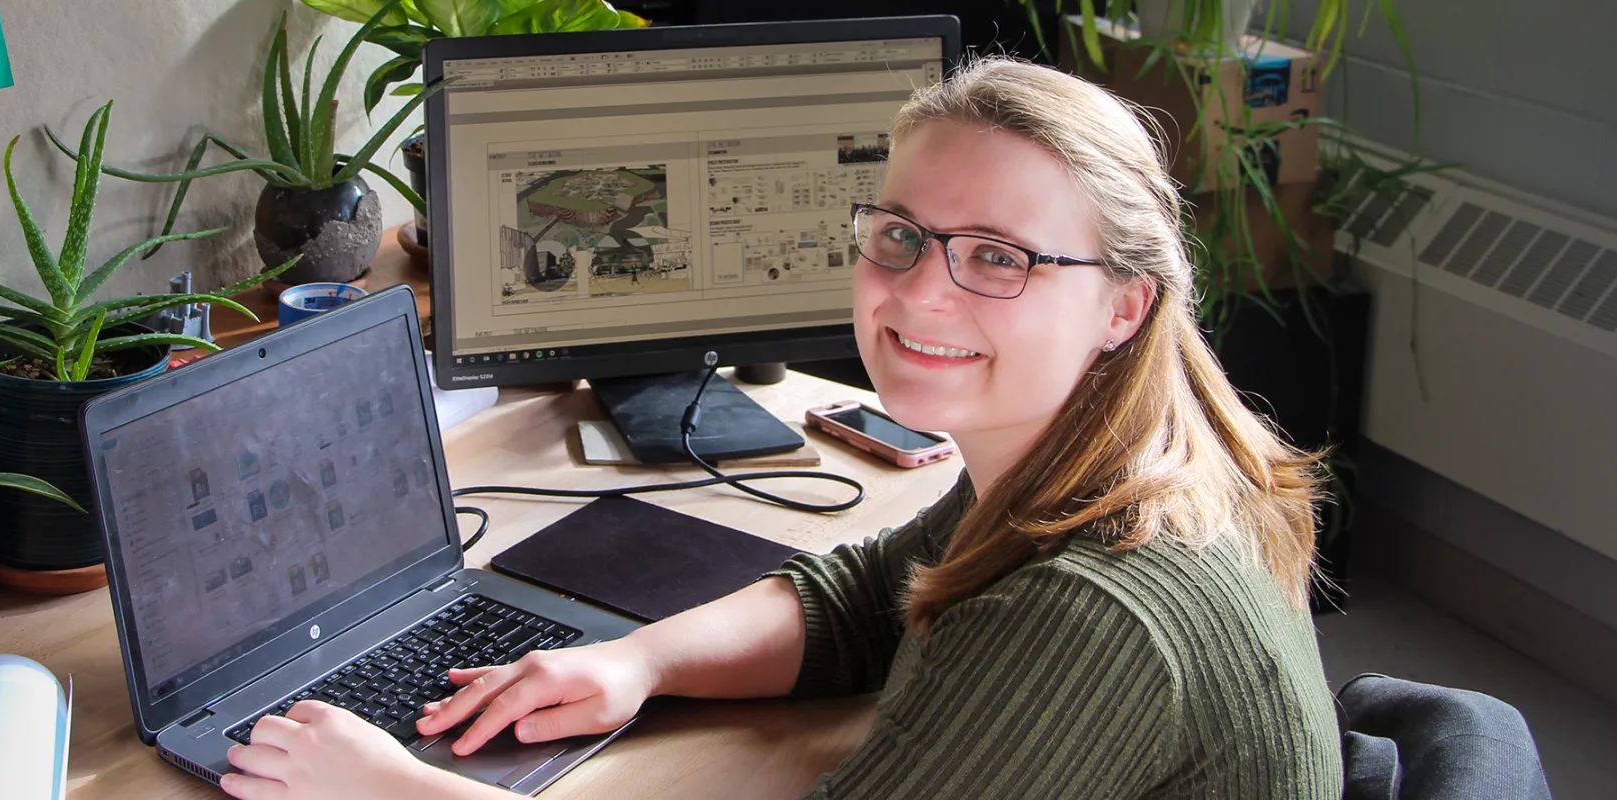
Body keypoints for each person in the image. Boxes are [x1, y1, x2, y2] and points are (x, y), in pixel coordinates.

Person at [219, 56, 1345, 799]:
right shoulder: (1092, 452)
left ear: (1123, 302)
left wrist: (392, 787)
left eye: (1000, 255)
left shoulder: (1094, 611)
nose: (919, 292)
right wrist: (635, 660)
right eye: (899, 233)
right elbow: (872, 595)